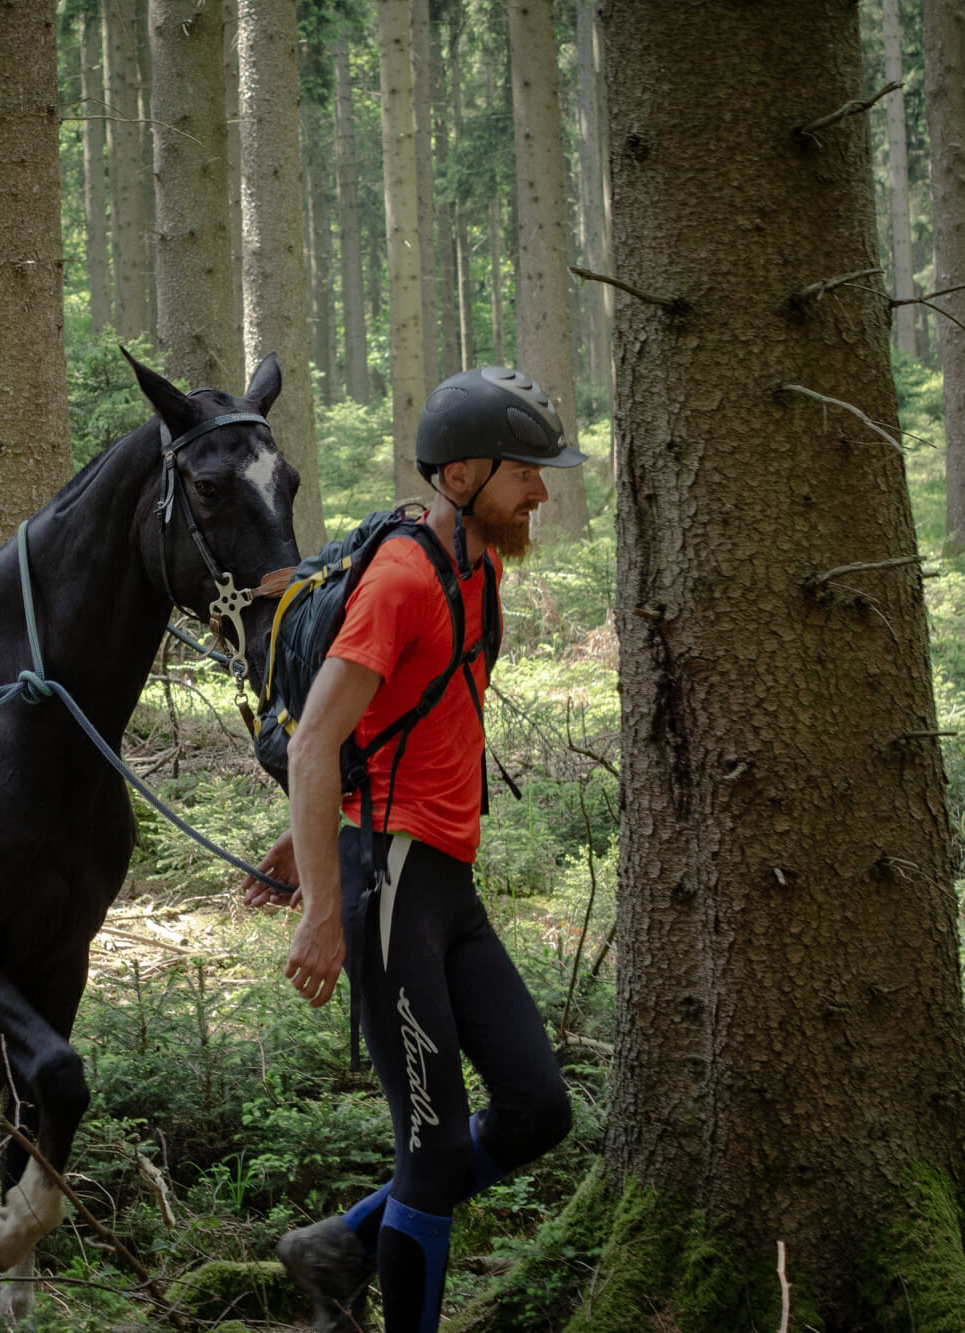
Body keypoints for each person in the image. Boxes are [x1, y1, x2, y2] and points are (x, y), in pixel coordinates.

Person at [242, 367, 582, 1333]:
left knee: (537, 1109)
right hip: (387, 886)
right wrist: (319, 904)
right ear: (466, 471)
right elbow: (314, 736)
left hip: (444, 886)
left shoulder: (479, 570)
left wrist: (328, 826)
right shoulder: (397, 581)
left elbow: (395, 726)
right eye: (529, 473)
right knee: (429, 1157)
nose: (543, 493)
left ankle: (333, 1245)